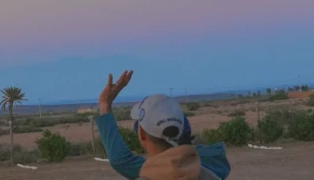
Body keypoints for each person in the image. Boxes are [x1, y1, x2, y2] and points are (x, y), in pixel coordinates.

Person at [96, 71, 229, 180]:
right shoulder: (211, 166)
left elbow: (121, 160)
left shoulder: (153, 173)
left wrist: (105, 105)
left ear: (142, 135)